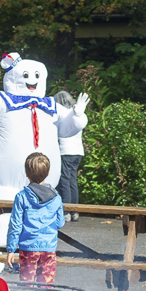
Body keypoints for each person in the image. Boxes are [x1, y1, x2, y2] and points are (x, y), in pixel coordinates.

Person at [5, 152, 64, 283]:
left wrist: (11, 249)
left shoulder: (21, 197)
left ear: (26, 173)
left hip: (28, 248)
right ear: (48, 173)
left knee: (27, 286)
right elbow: (60, 223)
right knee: (47, 286)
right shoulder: (56, 197)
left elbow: (15, 225)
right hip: (48, 247)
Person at [54, 90, 83, 222]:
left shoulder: (62, 114)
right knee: (72, 180)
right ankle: (74, 211)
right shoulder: (77, 112)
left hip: (66, 151)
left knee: (64, 180)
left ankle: (66, 211)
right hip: (78, 151)